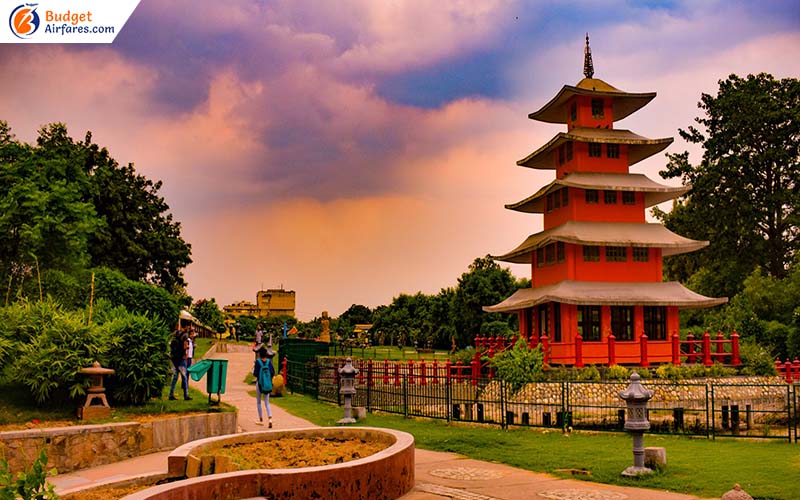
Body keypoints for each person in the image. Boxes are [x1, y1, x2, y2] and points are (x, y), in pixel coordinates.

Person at [253, 344, 275, 427]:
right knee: (267, 402)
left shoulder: (258, 362)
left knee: (258, 402)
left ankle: (261, 419)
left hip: (260, 383)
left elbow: (255, 374)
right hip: (267, 384)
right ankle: (270, 418)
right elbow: (272, 372)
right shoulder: (269, 362)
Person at [169, 325, 192, 400]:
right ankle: (186, 395)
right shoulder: (185, 335)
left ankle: (171, 394)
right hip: (181, 359)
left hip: (174, 358)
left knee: (175, 377)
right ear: (186, 326)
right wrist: (188, 347)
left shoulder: (176, 334)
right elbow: (185, 347)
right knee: (184, 377)